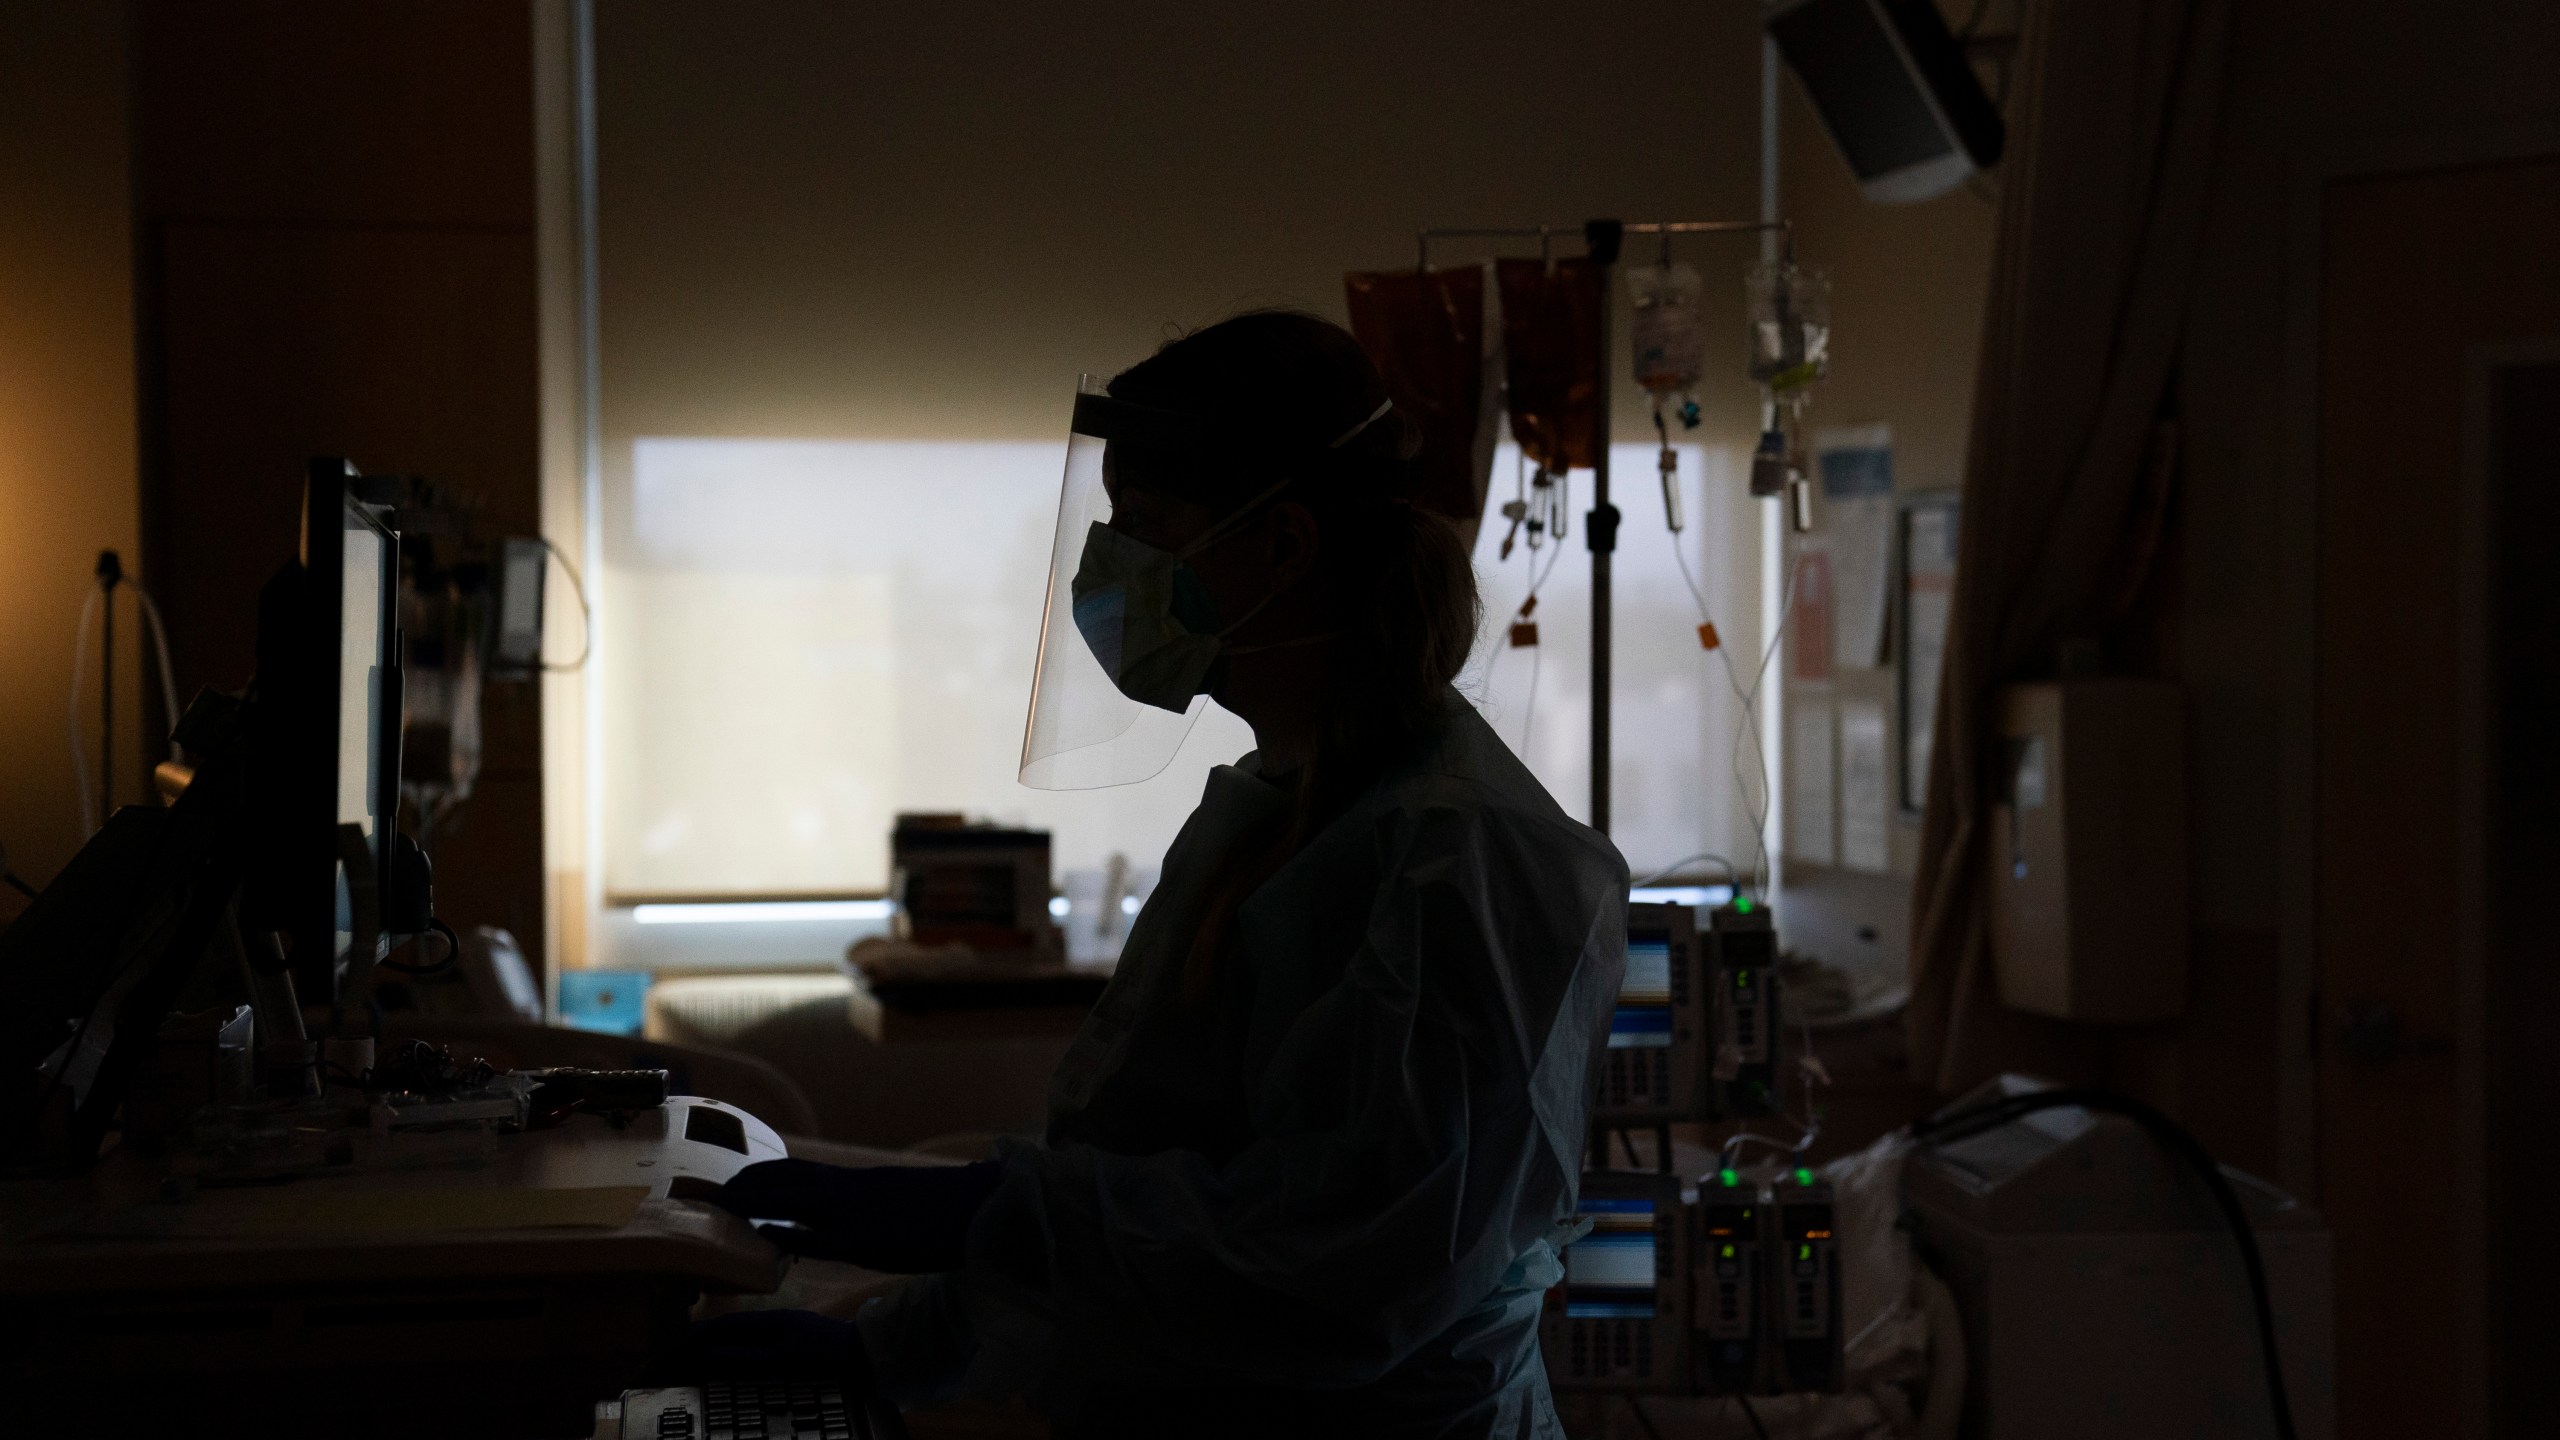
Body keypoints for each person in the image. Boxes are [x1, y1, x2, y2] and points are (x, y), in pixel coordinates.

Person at [708, 311, 1627, 1437]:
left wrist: (994, 1213)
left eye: (1146, 526)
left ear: (1284, 546)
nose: (1112, 570)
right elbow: (1148, 1189)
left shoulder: (1469, 858)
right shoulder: (1271, 807)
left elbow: (1347, 1268)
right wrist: (891, 1348)